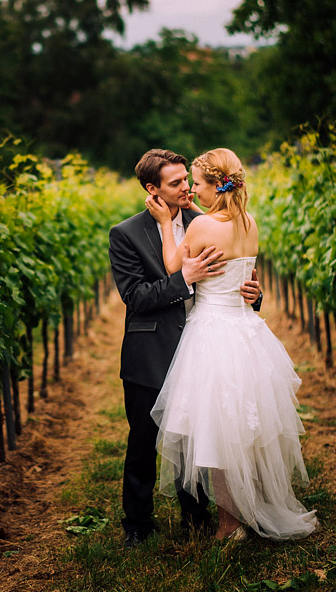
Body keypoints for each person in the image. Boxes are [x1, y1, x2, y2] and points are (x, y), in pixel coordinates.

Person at [145, 147, 317, 541]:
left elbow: (174, 269)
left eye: (198, 183)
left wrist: (164, 225)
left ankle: (229, 524)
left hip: (211, 332)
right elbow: (241, 269)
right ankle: (246, 509)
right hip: (245, 330)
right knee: (242, 429)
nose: (193, 191)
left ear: (216, 185)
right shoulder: (248, 222)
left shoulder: (202, 227)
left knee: (217, 434)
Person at [108, 149, 263, 548]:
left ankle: (196, 516)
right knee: (144, 441)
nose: (186, 189)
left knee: (199, 436)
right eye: (176, 183)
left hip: (207, 346)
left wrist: (254, 293)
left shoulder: (208, 220)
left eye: (187, 180)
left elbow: (239, 274)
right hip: (153, 349)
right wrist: (183, 279)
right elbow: (135, 297)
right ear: (152, 189)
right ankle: (138, 525)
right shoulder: (126, 234)